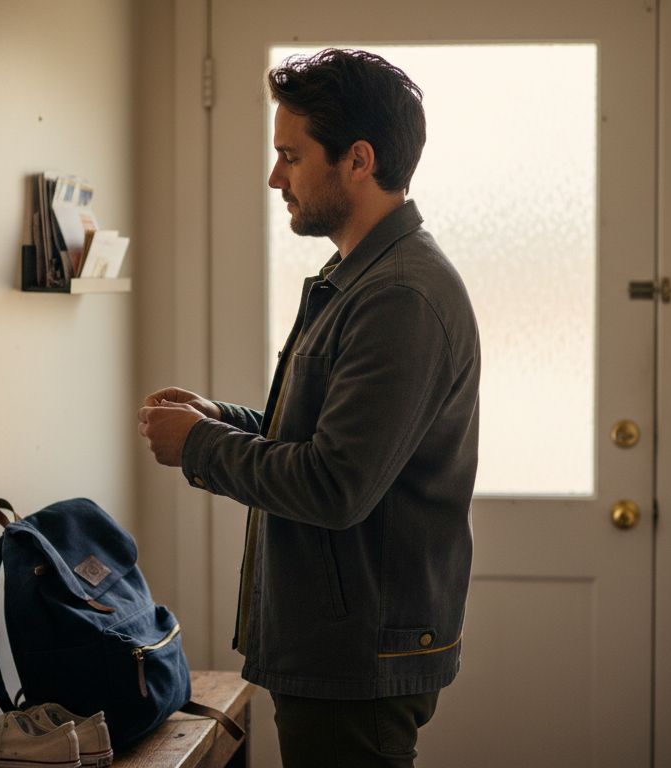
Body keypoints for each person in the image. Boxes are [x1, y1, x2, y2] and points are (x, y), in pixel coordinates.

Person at [138, 48, 480, 768]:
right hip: (340, 645)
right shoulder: (360, 277)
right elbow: (326, 441)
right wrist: (220, 419)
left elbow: (334, 484)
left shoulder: (399, 296)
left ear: (358, 159)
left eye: (291, 156)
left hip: (357, 657)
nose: (274, 177)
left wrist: (198, 448)